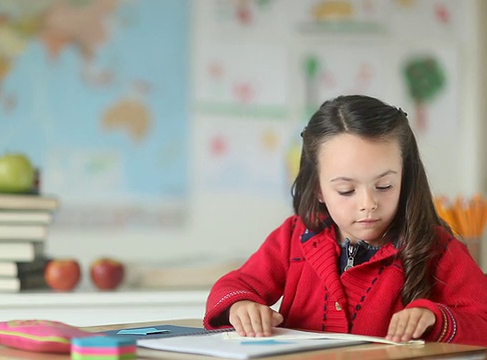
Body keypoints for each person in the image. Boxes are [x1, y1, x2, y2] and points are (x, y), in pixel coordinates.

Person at [203, 95, 487, 346]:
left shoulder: (435, 249)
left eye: (385, 186)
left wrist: (433, 318)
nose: (368, 204)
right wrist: (241, 305)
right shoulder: (294, 237)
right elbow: (234, 285)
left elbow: (482, 319)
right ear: (318, 189)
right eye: (346, 190)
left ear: (406, 179)